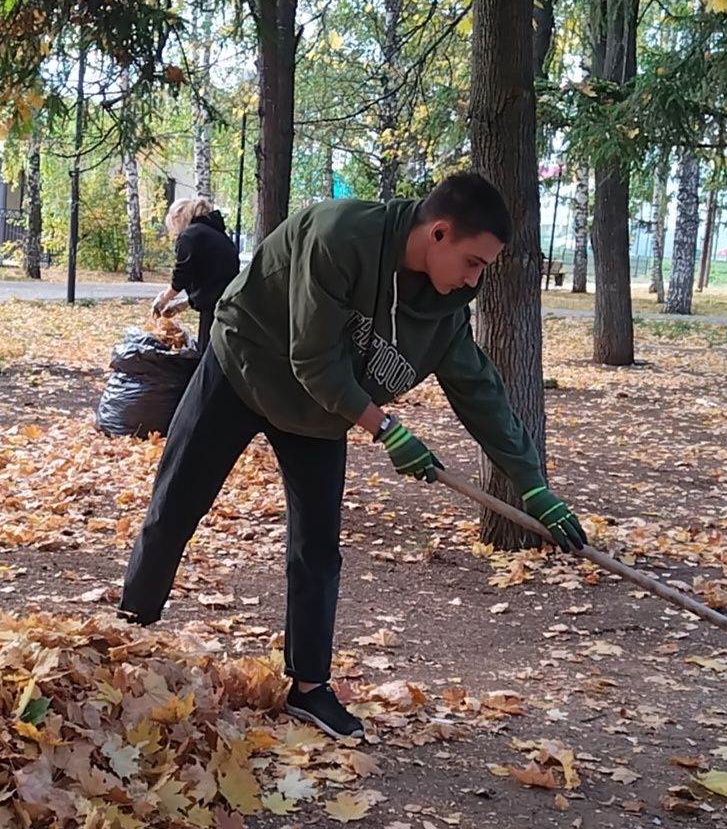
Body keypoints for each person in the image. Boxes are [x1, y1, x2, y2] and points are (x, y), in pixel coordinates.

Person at [119, 171, 586, 740]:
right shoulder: (340, 235)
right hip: (243, 368)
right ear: (438, 233)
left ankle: (310, 688)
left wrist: (531, 484)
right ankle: (126, 638)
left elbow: (482, 393)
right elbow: (312, 358)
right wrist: (386, 428)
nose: (475, 278)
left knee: (317, 548)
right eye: (473, 261)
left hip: (319, 414)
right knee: (174, 510)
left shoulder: (446, 308)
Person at [149, 196, 239, 352]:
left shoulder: (190, 235)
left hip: (215, 309)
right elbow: (211, 277)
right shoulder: (216, 234)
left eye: (173, 226)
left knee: (209, 356)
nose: (175, 232)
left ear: (178, 218)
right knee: (218, 355)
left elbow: (182, 275)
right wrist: (185, 303)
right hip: (230, 302)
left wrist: (163, 299)